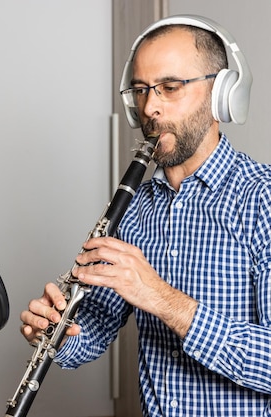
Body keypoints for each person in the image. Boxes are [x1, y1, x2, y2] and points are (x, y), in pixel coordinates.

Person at [20, 15, 271, 416]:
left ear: (223, 93)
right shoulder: (133, 209)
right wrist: (58, 332)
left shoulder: (263, 199)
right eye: (140, 90)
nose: (150, 107)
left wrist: (163, 299)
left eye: (170, 88)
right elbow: (97, 328)